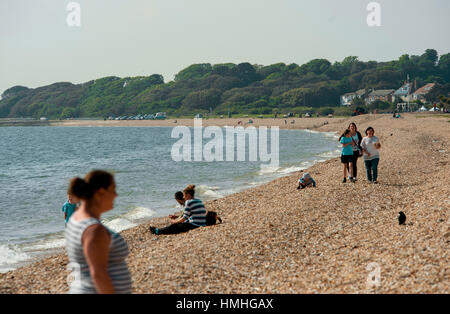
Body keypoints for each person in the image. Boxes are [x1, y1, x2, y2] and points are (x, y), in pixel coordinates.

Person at [65, 170, 132, 294]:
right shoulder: (94, 230)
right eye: (113, 190)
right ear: (100, 192)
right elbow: (98, 275)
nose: (116, 195)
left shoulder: (77, 218)